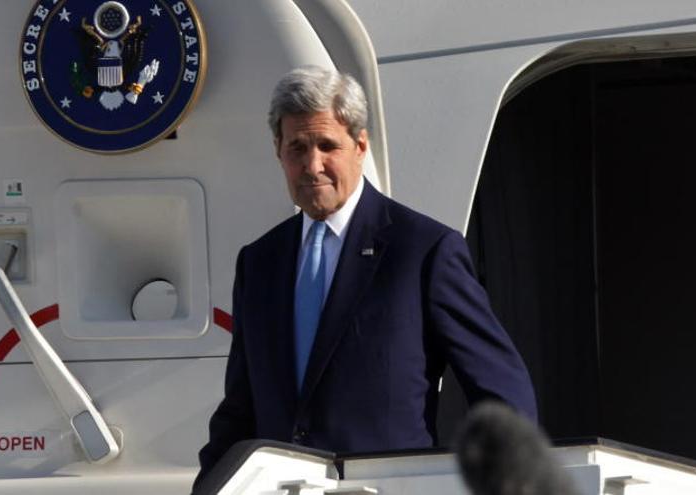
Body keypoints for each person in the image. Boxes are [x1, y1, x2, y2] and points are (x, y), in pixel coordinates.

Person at [195, 66, 536, 487]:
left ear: (359, 145)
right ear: (278, 151)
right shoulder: (259, 262)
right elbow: (240, 410)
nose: (312, 165)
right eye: (297, 148)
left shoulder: (423, 251)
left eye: (326, 145)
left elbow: (503, 393)